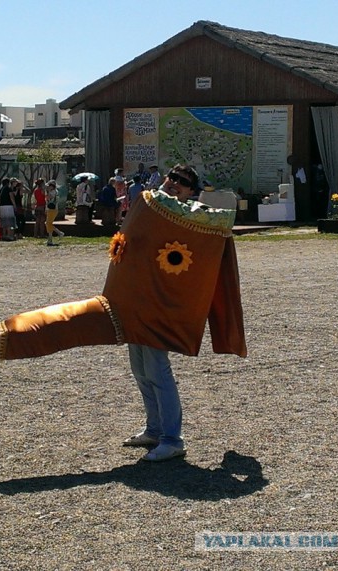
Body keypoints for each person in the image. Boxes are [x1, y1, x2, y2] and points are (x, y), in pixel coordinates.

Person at [123, 163, 200, 462]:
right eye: (173, 177)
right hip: (138, 296)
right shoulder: (150, 205)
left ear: (191, 191)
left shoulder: (191, 217)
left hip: (162, 300)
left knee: (157, 369)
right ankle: (154, 430)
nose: (175, 183)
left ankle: (172, 438)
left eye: (183, 182)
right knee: (141, 368)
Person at [45, 180, 64, 246]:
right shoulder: (54, 191)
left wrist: (47, 193)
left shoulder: (53, 192)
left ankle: (59, 232)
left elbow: (48, 198)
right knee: (49, 224)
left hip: (52, 209)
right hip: (51, 209)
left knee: (48, 223)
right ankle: (50, 239)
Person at [0, 177, 16, 242]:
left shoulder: (0, 190)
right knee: (9, 221)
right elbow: (11, 197)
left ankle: (4, 235)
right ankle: (9, 235)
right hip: (8, 206)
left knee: (3, 221)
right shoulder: (8, 189)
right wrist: (14, 205)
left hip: (2, 206)